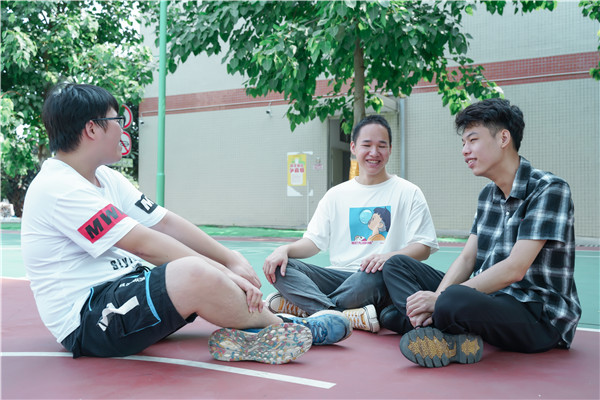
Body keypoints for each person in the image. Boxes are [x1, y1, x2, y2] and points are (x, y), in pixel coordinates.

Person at [20, 83, 352, 365]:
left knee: (198, 271)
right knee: (193, 272)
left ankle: (255, 330)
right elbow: (144, 244)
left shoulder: (105, 177)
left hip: (122, 290)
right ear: (92, 129)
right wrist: (222, 272)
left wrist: (230, 259)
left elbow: (164, 223)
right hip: (89, 320)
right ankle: (288, 327)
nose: (123, 129)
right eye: (117, 120)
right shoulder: (60, 188)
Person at [382, 98, 581, 367]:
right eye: (463, 143)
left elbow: (515, 269)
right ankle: (441, 329)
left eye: (473, 140)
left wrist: (439, 299)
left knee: (443, 301)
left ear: (503, 138)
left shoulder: (549, 189)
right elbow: (467, 259)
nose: (465, 150)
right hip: (489, 298)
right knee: (397, 265)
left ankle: (430, 326)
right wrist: (438, 297)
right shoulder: (488, 195)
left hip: (538, 315)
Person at [262, 115, 439, 333]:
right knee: (280, 267)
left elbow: (423, 246)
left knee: (375, 276)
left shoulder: (408, 192)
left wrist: (388, 257)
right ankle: (342, 315)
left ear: (390, 149)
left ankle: (311, 308)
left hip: (376, 278)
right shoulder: (336, 195)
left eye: (381, 146)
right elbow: (313, 242)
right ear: (353, 148)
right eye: (367, 145)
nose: (374, 152)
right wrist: (284, 250)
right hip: (338, 277)